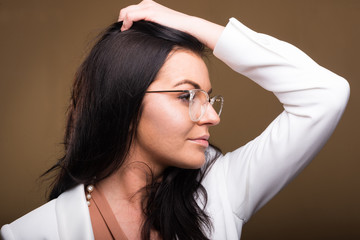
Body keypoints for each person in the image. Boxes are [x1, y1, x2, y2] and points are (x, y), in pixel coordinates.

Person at [0, 0, 350, 239]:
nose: (211, 116)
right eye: (186, 96)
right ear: (125, 103)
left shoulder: (220, 191)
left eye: (209, 98)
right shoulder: (32, 233)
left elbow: (324, 94)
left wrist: (190, 25)